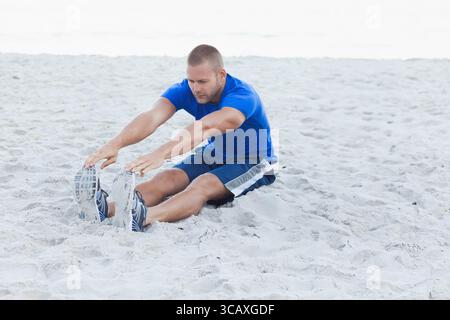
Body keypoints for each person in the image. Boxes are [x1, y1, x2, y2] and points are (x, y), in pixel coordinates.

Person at [75, 44, 277, 232]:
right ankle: (106, 209)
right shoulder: (187, 90)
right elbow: (152, 117)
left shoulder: (242, 96)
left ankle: (143, 217)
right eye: (192, 81)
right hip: (213, 154)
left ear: (221, 75)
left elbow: (207, 126)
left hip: (253, 161)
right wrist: (116, 144)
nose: (196, 88)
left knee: (202, 184)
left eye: (202, 82)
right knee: (166, 178)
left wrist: (162, 154)